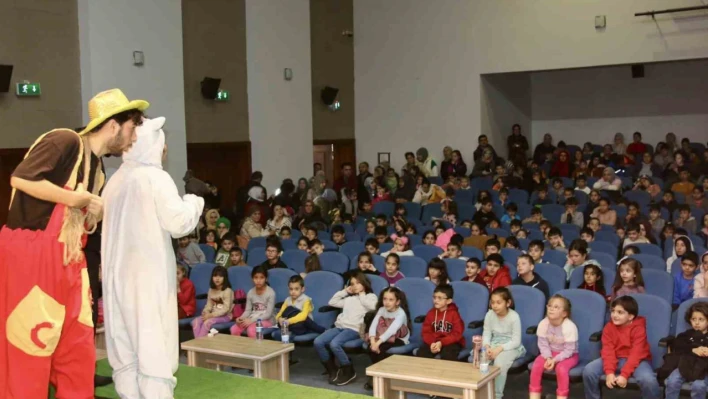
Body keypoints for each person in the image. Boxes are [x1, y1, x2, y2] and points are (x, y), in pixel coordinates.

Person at [102, 114, 208, 399]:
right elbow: (179, 224)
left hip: (117, 280)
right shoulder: (155, 178)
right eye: (163, 144)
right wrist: (194, 199)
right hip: (147, 279)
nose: (165, 150)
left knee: (126, 353)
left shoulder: (114, 181)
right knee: (154, 353)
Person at [582, 296, 660, 399]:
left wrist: (624, 374)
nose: (614, 315)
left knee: (648, 380)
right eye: (613, 311)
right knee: (589, 370)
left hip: (638, 360)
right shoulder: (608, 328)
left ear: (630, 316)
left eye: (620, 312)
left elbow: (636, 354)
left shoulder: (639, 329)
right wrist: (609, 372)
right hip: (615, 357)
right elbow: (608, 351)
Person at [315, 272, 377, 385]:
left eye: (358, 283)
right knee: (318, 341)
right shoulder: (349, 299)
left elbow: (373, 307)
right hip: (340, 327)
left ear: (364, 283)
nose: (355, 286)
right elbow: (332, 302)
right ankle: (332, 369)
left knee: (334, 344)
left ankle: (349, 370)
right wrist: (345, 291)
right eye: (352, 284)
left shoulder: (370, 297)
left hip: (354, 329)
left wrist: (362, 295)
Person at [479, 287, 526, 399]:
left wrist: (499, 349)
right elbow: (486, 333)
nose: (494, 305)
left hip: (511, 346)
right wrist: (487, 346)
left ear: (508, 303)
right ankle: (481, 393)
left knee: (499, 362)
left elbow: (516, 341)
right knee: (482, 358)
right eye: (492, 302)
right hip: (494, 343)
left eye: (499, 302)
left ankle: (496, 395)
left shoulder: (514, 317)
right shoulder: (489, 314)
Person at [529, 295, 579, 399]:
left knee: (561, 369)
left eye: (556, 307)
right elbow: (543, 345)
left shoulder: (569, 327)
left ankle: (561, 396)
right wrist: (548, 357)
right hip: (550, 353)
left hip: (569, 355)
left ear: (564, 313)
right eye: (550, 305)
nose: (551, 308)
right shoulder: (543, 324)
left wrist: (555, 360)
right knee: (536, 366)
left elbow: (569, 350)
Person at [660, 302, 708, 399]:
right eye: (693, 319)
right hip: (685, 364)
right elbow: (678, 346)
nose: (697, 323)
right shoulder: (686, 335)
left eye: (701, 319)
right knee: (672, 381)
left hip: (704, 368)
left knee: (699, 386)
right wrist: (693, 350)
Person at [365, 287, 411, 385]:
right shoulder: (381, 309)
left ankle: (380, 378)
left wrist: (377, 344)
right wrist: (373, 341)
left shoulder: (400, 313)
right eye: (385, 299)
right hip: (382, 336)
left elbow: (391, 331)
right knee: (370, 347)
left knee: (380, 349)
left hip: (398, 338)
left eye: (391, 300)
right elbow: (373, 326)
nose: (387, 302)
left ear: (397, 302)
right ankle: (376, 374)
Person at [272, 275, 325, 341]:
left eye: (296, 289)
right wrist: (279, 319)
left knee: (294, 312)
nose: (293, 292)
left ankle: (321, 330)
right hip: (291, 325)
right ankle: (290, 332)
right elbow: (280, 313)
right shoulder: (287, 299)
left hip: (304, 324)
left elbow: (303, 316)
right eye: (291, 289)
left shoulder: (306, 300)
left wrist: (289, 321)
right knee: (284, 316)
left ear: (302, 289)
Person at [419, 284, 465, 360]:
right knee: (422, 352)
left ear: (449, 301)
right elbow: (426, 332)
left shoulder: (454, 314)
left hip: (451, 342)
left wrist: (441, 343)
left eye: (440, 298)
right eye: (434, 297)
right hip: (434, 341)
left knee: (448, 353)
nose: (436, 300)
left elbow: (457, 334)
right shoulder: (430, 313)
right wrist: (432, 343)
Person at [230, 266, 276, 337]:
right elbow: (248, 311)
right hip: (253, 318)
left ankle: (258, 347)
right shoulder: (250, 292)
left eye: (261, 277)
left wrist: (252, 320)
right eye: (256, 277)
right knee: (234, 329)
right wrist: (241, 318)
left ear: (266, 279)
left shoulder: (270, 293)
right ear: (252, 279)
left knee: (251, 329)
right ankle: (239, 347)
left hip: (268, 320)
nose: (258, 280)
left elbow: (268, 314)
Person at [191, 265, 234, 338]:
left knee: (207, 323)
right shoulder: (211, 290)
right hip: (212, 315)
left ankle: (199, 345)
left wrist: (210, 315)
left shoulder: (227, 291)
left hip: (226, 316)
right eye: (215, 276)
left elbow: (226, 309)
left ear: (225, 278)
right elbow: (209, 305)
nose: (217, 279)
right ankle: (200, 345)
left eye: (220, 276)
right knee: (195, 322)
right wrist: (206, 312)